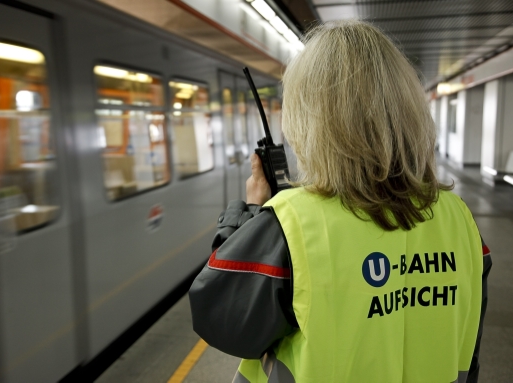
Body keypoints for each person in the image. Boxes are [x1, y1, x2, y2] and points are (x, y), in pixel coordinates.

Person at [189, 20, 492, 383]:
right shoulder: (459, 220)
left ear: (311, 121)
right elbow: (468, 342)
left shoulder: (289, 225)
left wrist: (251, 216)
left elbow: (223, 320)